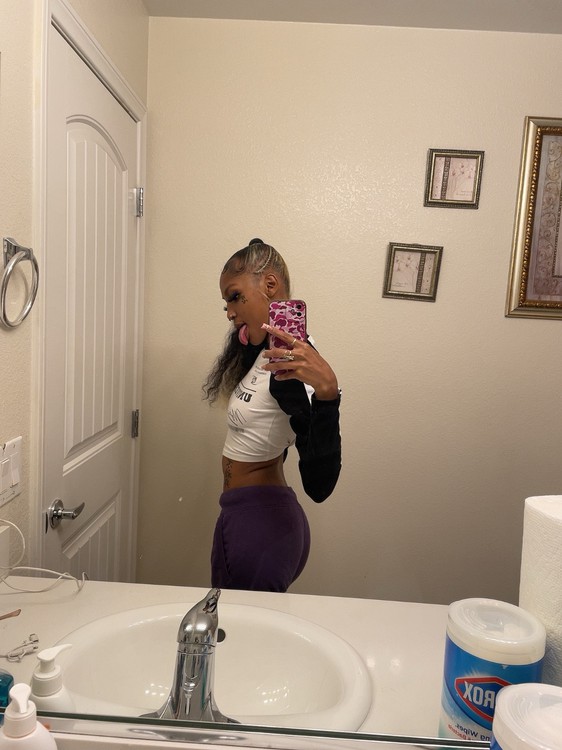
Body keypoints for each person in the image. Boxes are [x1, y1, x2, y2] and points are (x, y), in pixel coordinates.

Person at [203, 238, 341, 592]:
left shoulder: (295, 366)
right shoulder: (269, 355)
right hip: (246, 516)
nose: (230, 312)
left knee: (239, 626)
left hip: (261, 527)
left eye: (235, 297)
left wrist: (327, 394)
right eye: (226, 304)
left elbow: (319, 484)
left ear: (269, 284)